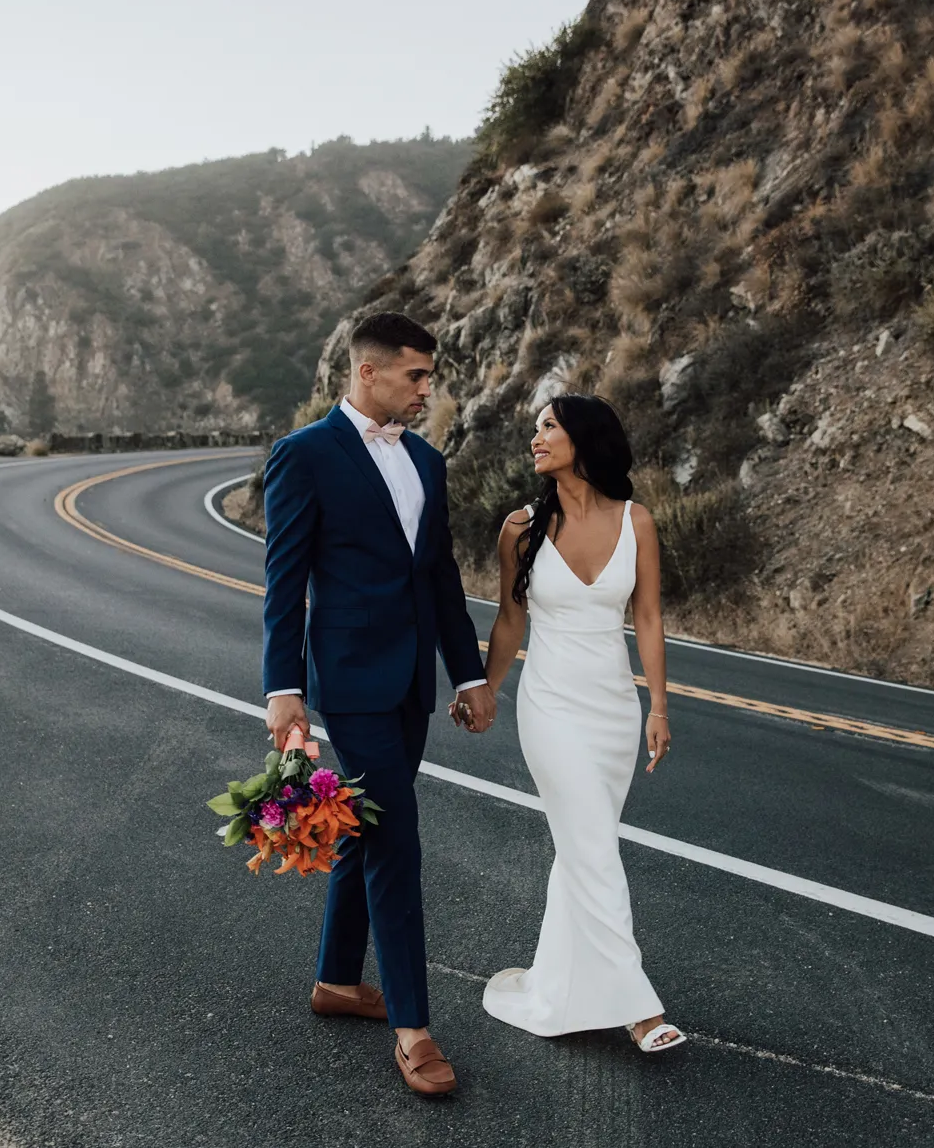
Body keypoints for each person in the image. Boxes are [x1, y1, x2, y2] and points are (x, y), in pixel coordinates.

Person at [260, 311, 497, 1096]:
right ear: (369, 373)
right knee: (397, 839)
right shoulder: (304, 455)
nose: (427, 390)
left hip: (411, 685)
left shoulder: (425, 461)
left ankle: (335, 981)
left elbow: (438, 578)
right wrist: (284, 689)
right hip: (350, 682)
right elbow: (285, 585)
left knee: (361, 829)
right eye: (415, 376)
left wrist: (468, 676)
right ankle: (414, 1029)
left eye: (429, 377)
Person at [478, 394, 685, 1053]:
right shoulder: (519, 527)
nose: (534, 437)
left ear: (583, 440)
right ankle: (639, 1010)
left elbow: (647, 617)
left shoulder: (638, 522)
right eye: (535, 427)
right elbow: (512, 621)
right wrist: (485, 689)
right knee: (592, 847)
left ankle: (563, 990)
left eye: (547, 427)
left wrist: (658, 703)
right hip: (551, 705)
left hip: (612, 709)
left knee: (581, 850)